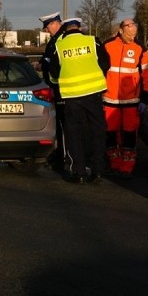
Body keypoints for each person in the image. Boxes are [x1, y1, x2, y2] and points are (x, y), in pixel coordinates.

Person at [48, 18, 110, 184]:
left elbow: (53, 73)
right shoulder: (92, 41)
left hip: (72, 97)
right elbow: (106, 63)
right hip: (94, 94)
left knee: (74, 134)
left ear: (65, 30)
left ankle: (79, 172)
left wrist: (61, 82)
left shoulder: (59, 47)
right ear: (80, 27)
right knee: (97, 131)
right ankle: (97, 170)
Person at [102, 18, 148, 178]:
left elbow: (147, 75)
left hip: (132, 100)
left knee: (130, 133)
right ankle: (114, 163)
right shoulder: (107, 45)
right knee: (110, 132)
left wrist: (145, 98)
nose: (132, 36)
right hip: (109, 99)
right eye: (130, 32)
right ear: (121, 30)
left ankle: (128, 166)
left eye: (135, 32)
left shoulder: (140, 49)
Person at [38, 12, 66, 172]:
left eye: (48, 26)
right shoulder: (55, 40)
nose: (47, 30)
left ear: (56, 23)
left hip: (61, 88)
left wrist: (42, 66)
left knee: (63, 125)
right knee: (58, 124)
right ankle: (58, 155)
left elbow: (55, 63)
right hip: (55, 87)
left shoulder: (61, 40)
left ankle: (62, 157)